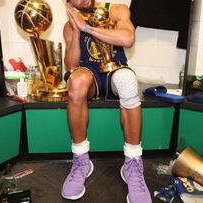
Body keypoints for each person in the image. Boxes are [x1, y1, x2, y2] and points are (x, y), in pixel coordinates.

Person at [62, 0, 152, 202]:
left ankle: (133, 165)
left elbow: (127, 39)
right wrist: (77, 30)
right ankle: (81, 161)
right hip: (89, 74)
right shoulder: (70, 24)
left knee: (128, 80)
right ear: (69, 3)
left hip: (115, 71)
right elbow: (70, 65)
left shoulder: (117, 10)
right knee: (75, 82)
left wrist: (86, 27)